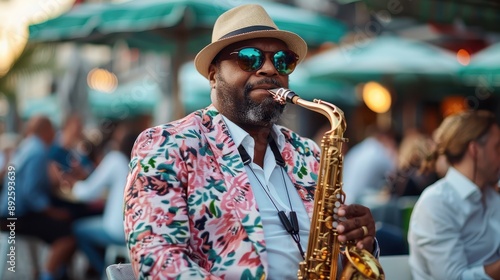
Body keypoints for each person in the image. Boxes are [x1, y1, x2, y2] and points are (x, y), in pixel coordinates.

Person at [123, 4, 379, 279]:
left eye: (283, 60)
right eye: (249, 58)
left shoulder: (309, 153)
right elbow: (158, 261)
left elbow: (336, 259)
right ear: (213, 74)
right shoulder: (167, 145)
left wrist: (359, 243)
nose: (269, 69)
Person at [408, 110, 500, 279]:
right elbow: (455, 278)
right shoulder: (436, 203)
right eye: (497, 147)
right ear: (474, 150)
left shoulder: (491, 194)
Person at [0, 115, 76, 280]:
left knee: (62, 221)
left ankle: (50, 272)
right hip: (17, 216)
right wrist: (52, 212)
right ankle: (48, 274)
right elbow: (31, 193)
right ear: (47, 131)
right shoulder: (38, 151)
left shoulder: (26, 146)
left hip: (8, 212)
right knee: (67, 234)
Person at [58, 125, 138, 277]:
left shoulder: (115, 159)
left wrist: (73, 185)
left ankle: (106, 270)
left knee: (78, 229)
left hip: (117, 231)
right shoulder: (136, 163)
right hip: (133, 231)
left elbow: (88, 192)